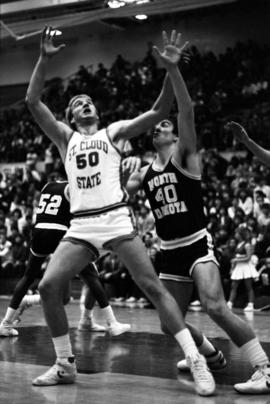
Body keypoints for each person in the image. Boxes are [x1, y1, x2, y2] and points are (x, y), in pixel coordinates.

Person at [25, 27, 215, 396]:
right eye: (77, 102)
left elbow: (160, 110)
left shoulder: (113, 133)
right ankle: (64, 364)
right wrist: (45, 57)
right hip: (81, 226)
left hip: (114, 217)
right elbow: (33, 102)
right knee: (48, 286)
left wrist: (169, 69)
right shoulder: (66, 138)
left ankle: (195, 358)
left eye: (88, 101)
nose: (85, 103)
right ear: (69, 115)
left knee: (153, 289)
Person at [126, 43, 270, 394]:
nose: (161, 125)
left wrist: (173, 70)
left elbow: (185, 110)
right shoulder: (141, 172)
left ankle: (264, 368)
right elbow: (118, 194)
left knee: (215, 306)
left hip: (196, 243)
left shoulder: (186, 156)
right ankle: (210, 354)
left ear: (174, 135)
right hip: (168, 249)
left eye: (165, 124)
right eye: (156, 124)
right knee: (166, 322)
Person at [0, 180, 130, 337]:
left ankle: (6, 323)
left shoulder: (47, 185)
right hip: (60, 233)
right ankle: (112, 322)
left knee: (32, 279)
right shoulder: (73, 187)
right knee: (91, 275)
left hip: (39, 231)